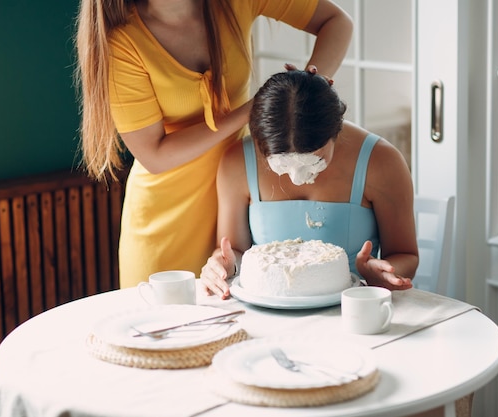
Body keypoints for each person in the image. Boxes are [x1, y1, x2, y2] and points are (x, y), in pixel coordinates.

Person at [74, 0, 354, 287]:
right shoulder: (121, 41)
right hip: (166, 223)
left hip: (238, 208)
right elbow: (154, 156)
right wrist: (252, 109)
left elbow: (336, 22)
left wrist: (308, 90)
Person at [200, 70, 419, 299]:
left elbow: (406, 255)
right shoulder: (236, 162)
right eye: (282, 165)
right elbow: (233, 250)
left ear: (335, 131)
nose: (296, 178)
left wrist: (381, 273)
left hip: (351, 306)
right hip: (267, 307)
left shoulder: (382, 161)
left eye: (313, 162)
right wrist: (223, 265)